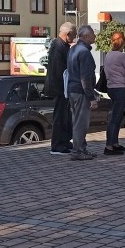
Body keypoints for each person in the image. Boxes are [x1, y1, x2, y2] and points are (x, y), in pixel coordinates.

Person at [67, 25, 99, 161]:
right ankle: (78, 151)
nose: (95, 37)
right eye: (92, 34)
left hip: (72, 90)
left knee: (77, 121)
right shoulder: (84, 52)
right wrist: (91, 97)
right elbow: (85, 77)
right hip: (81, 92)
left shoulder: (73, 49)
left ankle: (82, 148)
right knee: (81, 123)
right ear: (86, 36)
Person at [44, 22, 77, 155]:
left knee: (65, 116)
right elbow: (60, 71)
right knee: (60, 116)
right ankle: (57, 145)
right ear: (68, 34)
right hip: (60, 87)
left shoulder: (59, 45)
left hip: (61, 87)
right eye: (74, 34)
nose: (75, 37)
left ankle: (64, 141)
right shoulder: (59, 47)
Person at [103, 31, 125, 155]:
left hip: (111, 87)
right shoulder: (122, 56)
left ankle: (114, 143)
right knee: (116, 117)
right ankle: (109, 146)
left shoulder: (108, 55)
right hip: (120, 87)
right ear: (122, 43)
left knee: (116, 116)